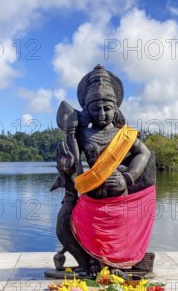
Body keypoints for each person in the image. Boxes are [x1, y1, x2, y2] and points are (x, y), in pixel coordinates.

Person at [51, 64, 156, 277]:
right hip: (91, 197)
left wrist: (128, 177)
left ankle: (118, 264)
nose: (101, 114)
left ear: (116, 109)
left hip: (118, 195)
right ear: (87, 111)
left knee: (121, 232)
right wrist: (66, 167)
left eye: (107, 108)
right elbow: (74, 164)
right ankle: (89, 263)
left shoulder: (124, 135)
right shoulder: (82, 135)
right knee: (73, 223)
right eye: (95, 109)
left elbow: (143, 154)